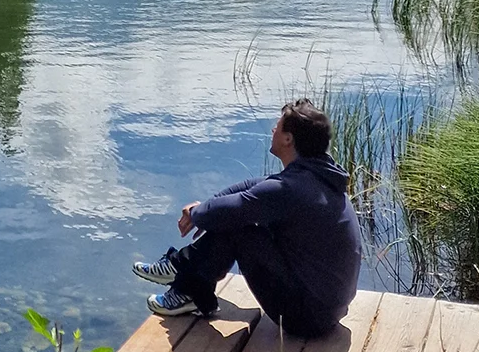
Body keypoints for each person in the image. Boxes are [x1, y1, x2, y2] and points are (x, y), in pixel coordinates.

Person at [133, 98, 361, 339]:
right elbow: (250, 187)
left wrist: (198, 214)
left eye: (278, 125)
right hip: (327, 310)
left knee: (239, 229)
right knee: (235, 218)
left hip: (306, 319)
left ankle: (181, 274)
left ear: (288, 139)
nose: (273, 130)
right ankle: (187, 282)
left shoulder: (290, 188)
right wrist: (206, 207)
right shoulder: (316, 176)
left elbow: (237, 208)